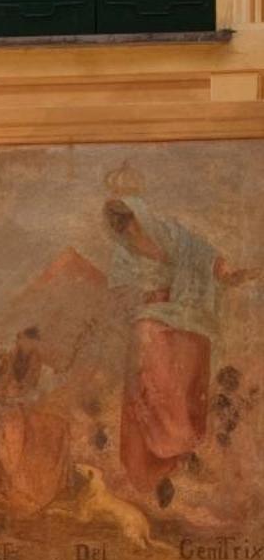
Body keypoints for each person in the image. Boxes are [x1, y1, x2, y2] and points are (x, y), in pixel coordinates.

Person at [103, 190, 259, 504]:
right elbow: (119, 293)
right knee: (146, 338)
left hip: (185, 309)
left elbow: (201, 254)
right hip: (149, 312)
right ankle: (161, 452)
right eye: (119, 223)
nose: (126, 228)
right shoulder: (122, 253)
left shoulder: (170, 233)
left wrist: (227, 273)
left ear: (139, 215)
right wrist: (144, 296)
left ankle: (183, 446)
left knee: (187, 355)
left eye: (129, 220)